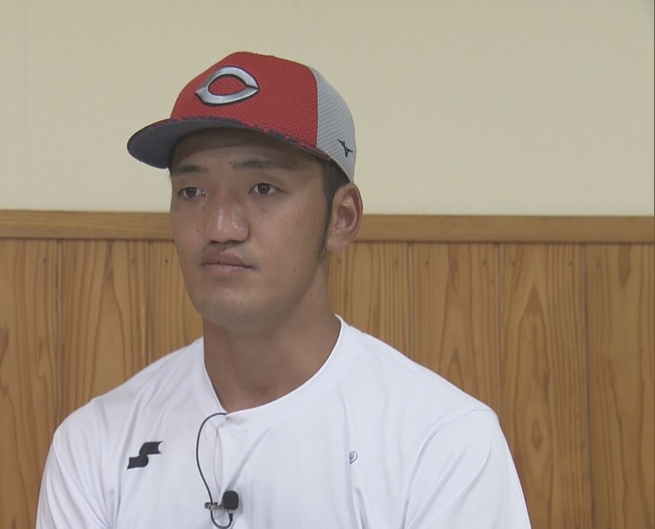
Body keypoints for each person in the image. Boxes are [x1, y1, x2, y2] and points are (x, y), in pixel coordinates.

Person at [35, 51, 531, 528]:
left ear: (341, 218)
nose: (220, 227)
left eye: (263, 188)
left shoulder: (442, 443)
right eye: (192, 191)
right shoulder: (95, 444)